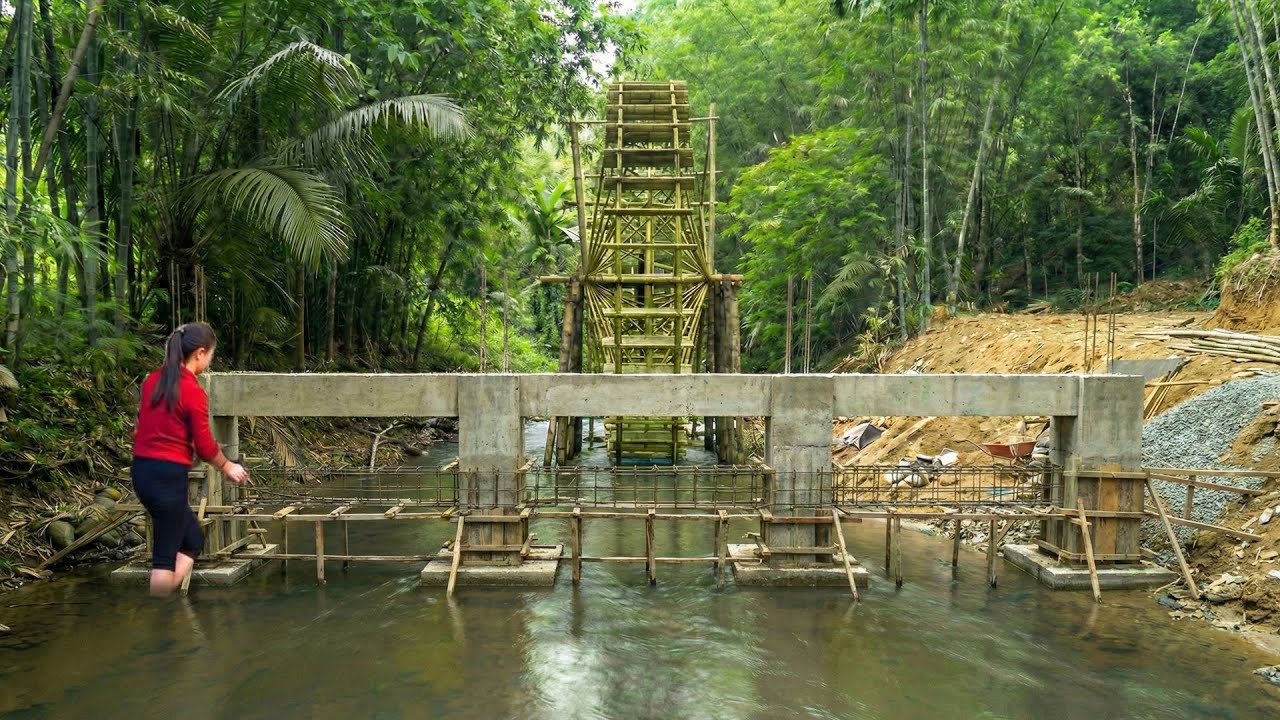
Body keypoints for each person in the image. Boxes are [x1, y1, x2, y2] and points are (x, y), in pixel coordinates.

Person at [131, 323, 249, 596]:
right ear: (200, 353)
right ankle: (158, 616)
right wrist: (227, 465)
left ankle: (162, 607)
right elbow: (206, 445)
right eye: (211, 355)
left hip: (142, 472)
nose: (210, 361)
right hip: (167, 478)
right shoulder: (193, 391)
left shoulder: (152, 381)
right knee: (164, 557)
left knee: (193, 539)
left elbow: (142, 426)